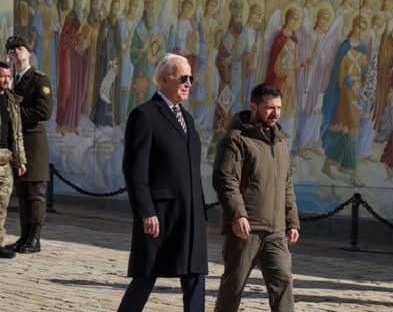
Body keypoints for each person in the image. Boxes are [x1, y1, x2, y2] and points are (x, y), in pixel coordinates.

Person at [118, 53, 208, 312]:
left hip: (190, 216)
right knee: (145, 277)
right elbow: (135, 170)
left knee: (195, 276)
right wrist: (146, 211)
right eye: (184, 77)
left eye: (191, 78)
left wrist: (200, 211)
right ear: (166, 78)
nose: (189, 83)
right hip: (161, 216)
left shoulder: (188, 120)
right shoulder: (145, 115)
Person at [212, 83, 300, 312]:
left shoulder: (280, 142)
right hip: (245, 230)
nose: (276, 113)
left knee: (283, 284)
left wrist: (292, 221)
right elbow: (225, 179)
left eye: (279, 108)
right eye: (270, 107)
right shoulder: (236, 139)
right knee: (234, 286)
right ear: (254, 106)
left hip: (276, 232)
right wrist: (237, 214)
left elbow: (287, 185)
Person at [4, 35, 52, 254]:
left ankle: (35, 238)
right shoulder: (9, 78)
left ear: (29, 52)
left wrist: (15, 114)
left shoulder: (39, 79)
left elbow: (44, 112)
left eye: (20, 49)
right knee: (22, 192)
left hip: (33, 140)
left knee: (35, 192)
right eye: (12, 50)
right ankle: (24, 236)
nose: (16, 53)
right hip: (16, 142)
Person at [0, 62, 27, 259]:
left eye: (7, 76)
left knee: (2, 204)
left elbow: (16, 134)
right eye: (1, 76)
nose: (5, 80)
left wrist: (20, 161)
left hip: (5, 160)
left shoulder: (11, 101)